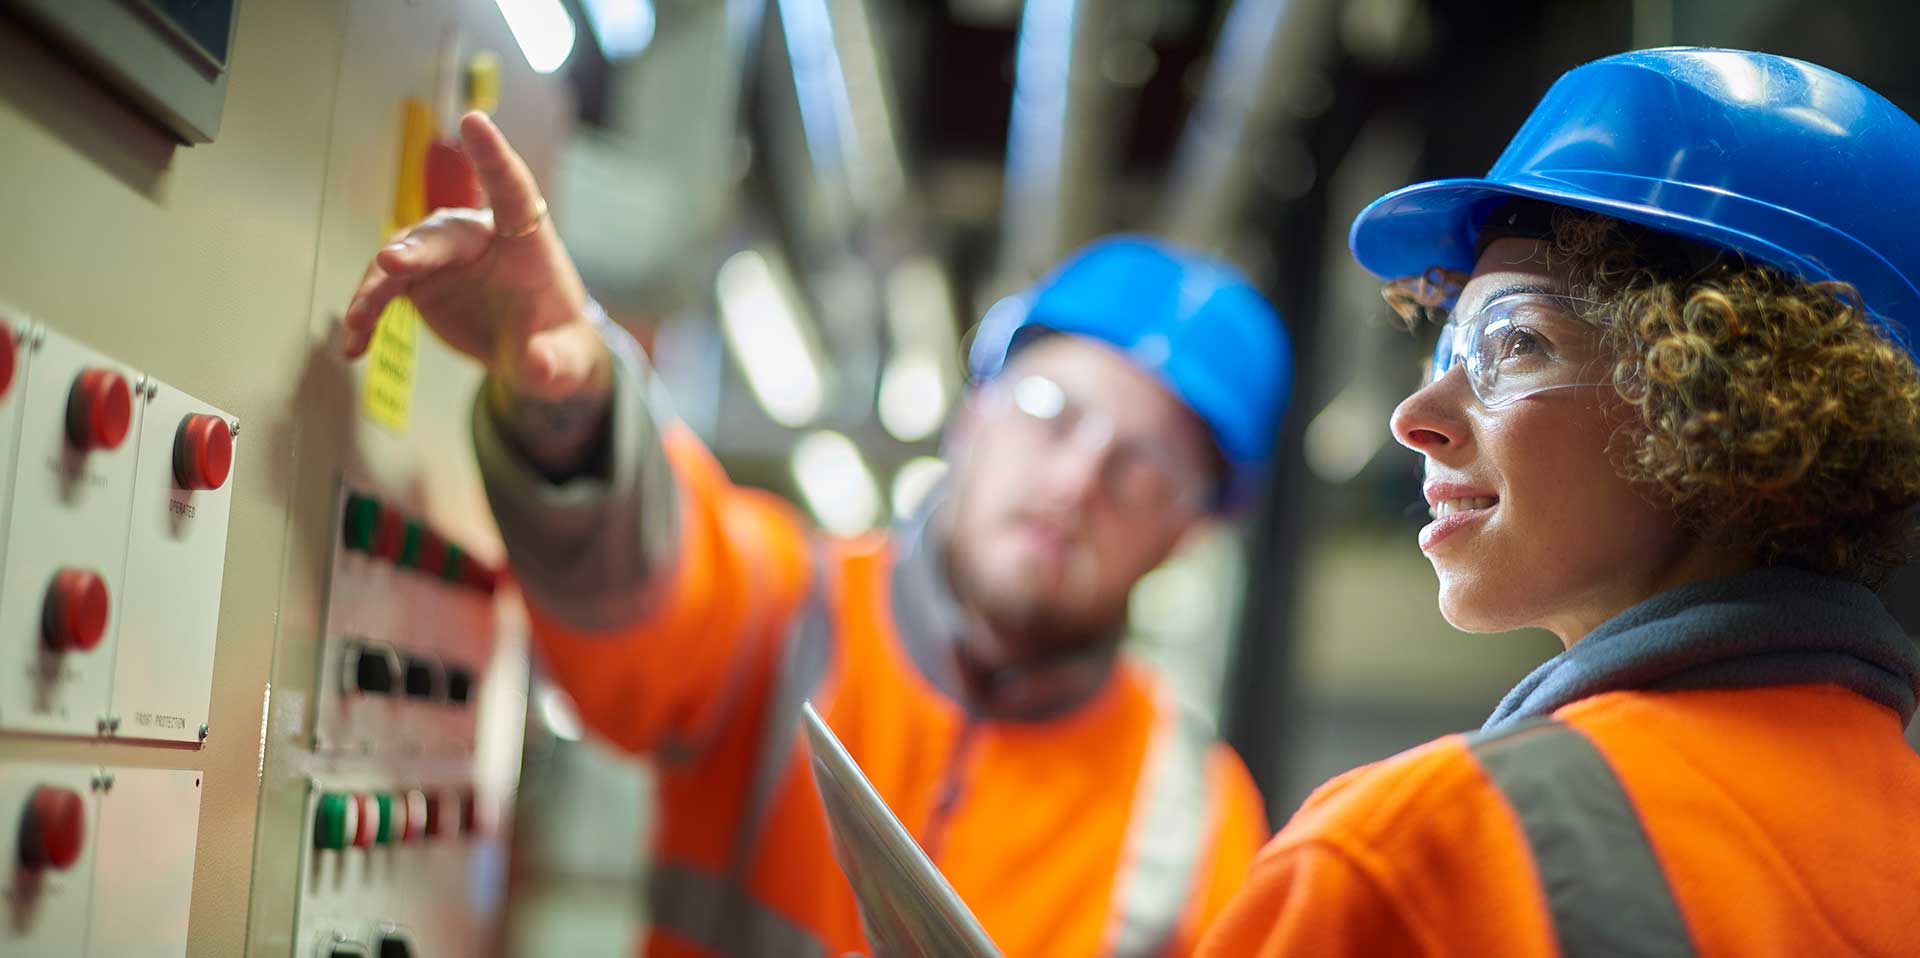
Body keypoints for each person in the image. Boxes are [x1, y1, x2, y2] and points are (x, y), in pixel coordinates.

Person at [341, 113, 1292, 958]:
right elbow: (646, 582)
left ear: (1189, 534)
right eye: (1051, 410)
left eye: (1144, 470)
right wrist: (572, 405)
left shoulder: (1195, 824)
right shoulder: (789, 608)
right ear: (975, 412)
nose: (1077, 481)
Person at [1201, 48, 1920, 957]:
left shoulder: (1418, 854)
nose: (1414, 417)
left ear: (1736, 390)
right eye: (1447, 350)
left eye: (1515, 344)